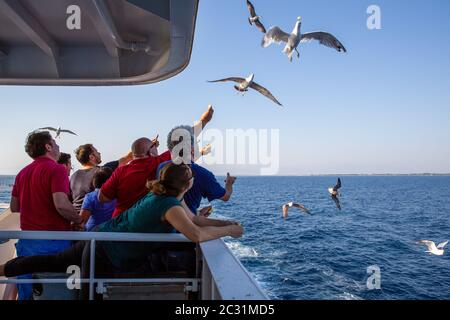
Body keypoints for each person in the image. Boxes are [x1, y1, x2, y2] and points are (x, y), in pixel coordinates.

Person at [0, 163, 243, 299]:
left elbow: (196, 222)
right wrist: (229, 233)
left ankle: (3, 269)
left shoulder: (164, 196)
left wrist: (227, 224)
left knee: (49, 263)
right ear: (187, 184)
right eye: (191, 176)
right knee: (74, 283)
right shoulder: (170, 205)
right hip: (103, 252)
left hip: (99, 240)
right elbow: (196, 235)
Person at [99, 105, 215, 218]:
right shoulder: (159, 163)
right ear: (150, 152)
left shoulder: (120, 172)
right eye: (154, 145)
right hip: (148, 226)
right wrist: (204, 120)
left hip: (120, 227)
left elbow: (102, 198)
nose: (157, 146)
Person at [9, 131, 83, 300]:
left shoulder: (22, 173)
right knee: (54, 292)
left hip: (27, 242)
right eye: (56, 144)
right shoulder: (57, 169)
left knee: (28, 293)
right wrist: (79, 220)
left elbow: (14, 207)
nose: (58, 147)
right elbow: (62, 205)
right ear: (48, 146)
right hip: (53, 242)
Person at [157, 125, 236, 216]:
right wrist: (229, 183)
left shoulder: (161, 167)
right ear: (191, 148)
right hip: (183, 227)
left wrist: (197, 213)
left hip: (163, 222)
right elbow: (225, 196)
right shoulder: (202, 174)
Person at [70, 144, 133, 213]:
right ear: (91, 157)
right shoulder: (102, 171)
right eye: (96, 152)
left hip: (75, 217)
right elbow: (128, 158)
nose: (99, 153)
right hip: (95, 217)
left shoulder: (73, 176)